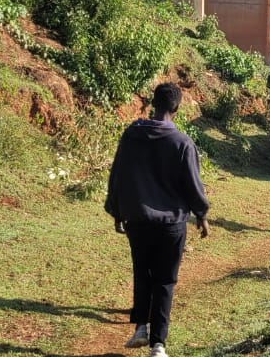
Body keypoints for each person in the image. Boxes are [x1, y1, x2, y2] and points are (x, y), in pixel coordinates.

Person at [104, 83, 210, 357]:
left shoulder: (131, 135)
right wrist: (202, 214)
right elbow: (193, 185)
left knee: (142, 272)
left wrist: (116, 210)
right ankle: (158, 344)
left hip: (137, 220)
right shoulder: (182, 143)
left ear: (153, 103)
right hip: (171, 225)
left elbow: (117, 175)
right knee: (164, 280)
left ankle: (141, 326)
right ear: (176, 107)